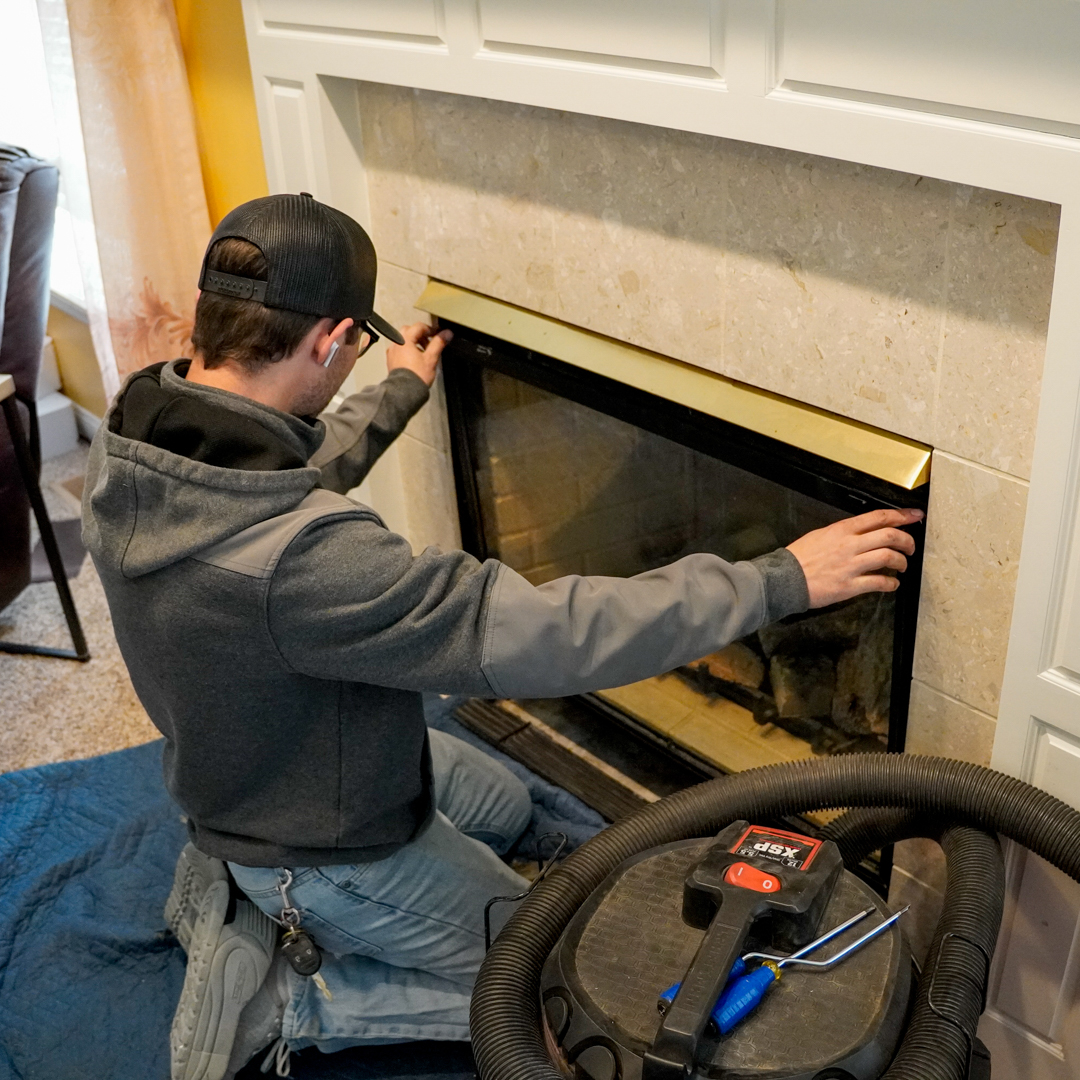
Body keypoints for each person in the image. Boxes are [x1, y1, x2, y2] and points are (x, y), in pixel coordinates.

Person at [83, 193, 922, 1080]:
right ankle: (300, 999)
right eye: (356, 348)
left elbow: (293, 466)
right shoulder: (309, 568)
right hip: (324, 850)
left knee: (509, 807)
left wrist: (399, 387)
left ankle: (258, 890)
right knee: (550, 984)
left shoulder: (141, 442)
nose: (355, 361)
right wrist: (779, 580)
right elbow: (554, 633)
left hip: (257, 765)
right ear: (329, 341)